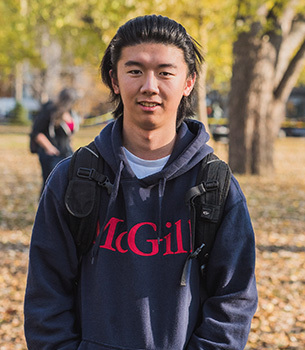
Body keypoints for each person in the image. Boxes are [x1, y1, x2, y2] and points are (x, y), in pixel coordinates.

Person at [24, 15, 258, 350]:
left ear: (188, 82)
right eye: (135, 71)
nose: (150, 85)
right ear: (114, 80)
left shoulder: (216, 186)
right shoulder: (71, 179)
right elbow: (46, 299)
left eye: (165, 72)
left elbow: (234, 301)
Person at [29, 88, 79, 188]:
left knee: (65, 186)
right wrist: (50, 148)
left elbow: (69, 134)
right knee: (49, 185)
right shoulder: (50, 110)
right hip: (52, 155)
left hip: (66, 154)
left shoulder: (70, 113)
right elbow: (36, 132)